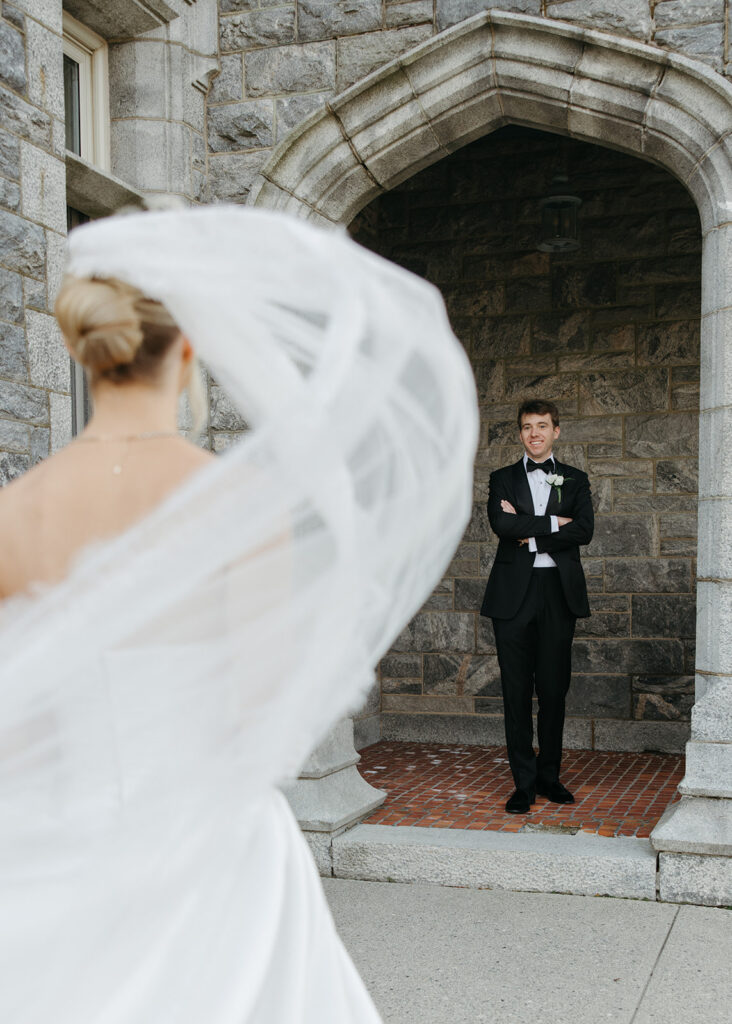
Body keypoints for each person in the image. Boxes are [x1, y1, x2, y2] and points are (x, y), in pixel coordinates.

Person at [0, 206, 479, 1023]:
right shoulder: (238, 505)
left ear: (85, 349)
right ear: (188, 348)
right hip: (209, 845)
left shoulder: (14, 512)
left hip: (58, 838)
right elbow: (262, 707)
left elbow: (22, 721)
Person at [480, 399, 593, 815]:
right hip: (513, 595)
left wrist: (529, 534)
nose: (535, 434)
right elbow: (502, 525)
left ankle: (549, 777)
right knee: (515, 692)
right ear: (520, 433)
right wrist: (555, 523)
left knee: (553, 690)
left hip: (558, 594)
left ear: (555, 431)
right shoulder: (502, 478)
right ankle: (523, 784)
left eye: (542, 426)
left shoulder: (576, 479)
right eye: (527, 427)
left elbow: (585, 531)